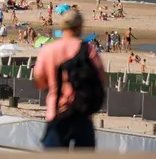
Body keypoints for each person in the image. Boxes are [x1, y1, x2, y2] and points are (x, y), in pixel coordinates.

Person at [34, 9, 106, 149]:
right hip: (83, 113)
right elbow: (101, 78)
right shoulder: (88, 50)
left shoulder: (50, 49)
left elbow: (39, 80)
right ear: (80, 27)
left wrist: (55, 84)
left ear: (62, 26)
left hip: (57, 111)